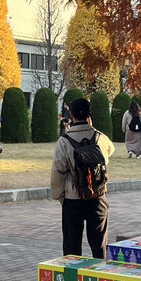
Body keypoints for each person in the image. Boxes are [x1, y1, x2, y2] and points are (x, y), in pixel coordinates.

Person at [51, 97, 115, 258]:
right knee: (99, 247)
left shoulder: (64, 141)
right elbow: (110, 150)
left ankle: (73, 274)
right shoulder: (99, 137)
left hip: (73, 197)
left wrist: (61, 197)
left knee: (72, 249)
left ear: (71, 115)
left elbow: (58, 171)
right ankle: (100, 272)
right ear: (89, 115)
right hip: (97, 196)